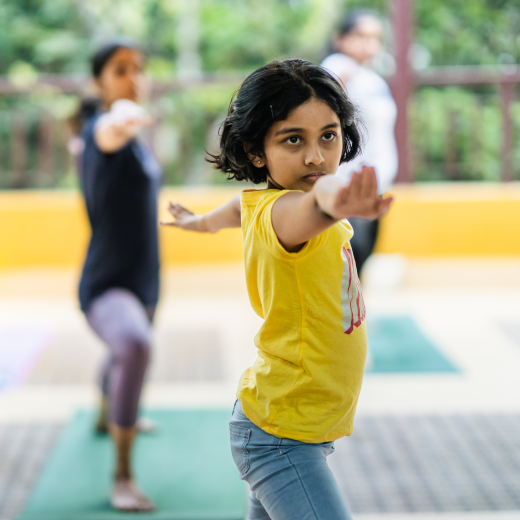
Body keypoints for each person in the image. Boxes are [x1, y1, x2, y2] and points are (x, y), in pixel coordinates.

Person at [162, 59, 392, 520]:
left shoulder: (259, 204)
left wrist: (199, 223)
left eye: (329, 135)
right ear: (255, 151)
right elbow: (313, 208)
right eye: (293, 139)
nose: (316, 156)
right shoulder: (289, 213)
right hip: (280, 438)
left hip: (288, 425)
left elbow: (235, 207)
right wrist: (333, 201)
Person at [76, 39, 161, 512]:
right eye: (120, 69)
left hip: (145, 275)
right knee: (134, 344)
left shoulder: (136, 140)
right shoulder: (101, 130)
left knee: (124, 352)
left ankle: (108, 412)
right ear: (99, 82)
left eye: (138, 68)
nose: (133, 77)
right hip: (106, 281)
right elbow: (109, 128)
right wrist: (121, 117)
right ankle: (123, 476)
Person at [321, 9, 398, 274]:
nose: (369, 43)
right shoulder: (337, 64)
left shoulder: (373, 79)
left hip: (374, 185)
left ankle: (355, 315)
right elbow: (322, 98)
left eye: (374, 37)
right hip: (347, 185)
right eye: (361, 35)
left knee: (360, 261)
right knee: (347, 260)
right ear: (340, 38)